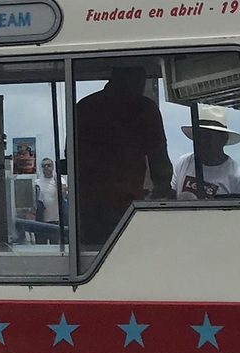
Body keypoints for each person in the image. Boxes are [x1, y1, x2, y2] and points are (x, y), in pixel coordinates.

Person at [73, 66, 174, 248]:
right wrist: (163, 190)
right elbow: (160, 163)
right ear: (137, 80)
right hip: (125, 206)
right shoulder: (144, 108)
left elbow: (70, 158)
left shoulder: (84, 107)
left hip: (85, 207)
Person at [172, 106, 240, 198]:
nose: (202, 140)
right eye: (199, 134)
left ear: (223, 139)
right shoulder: (183, 163)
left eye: (209, 136)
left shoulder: (239, 179)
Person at [33, 155, 61, 224]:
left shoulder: (59, 180)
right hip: (43, 220)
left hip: (57, 219)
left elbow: (63, 194)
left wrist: (57, 180)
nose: (46, 167)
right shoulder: (37, 183)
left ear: (53, 167)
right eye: (44, 166)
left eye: (49, 165)